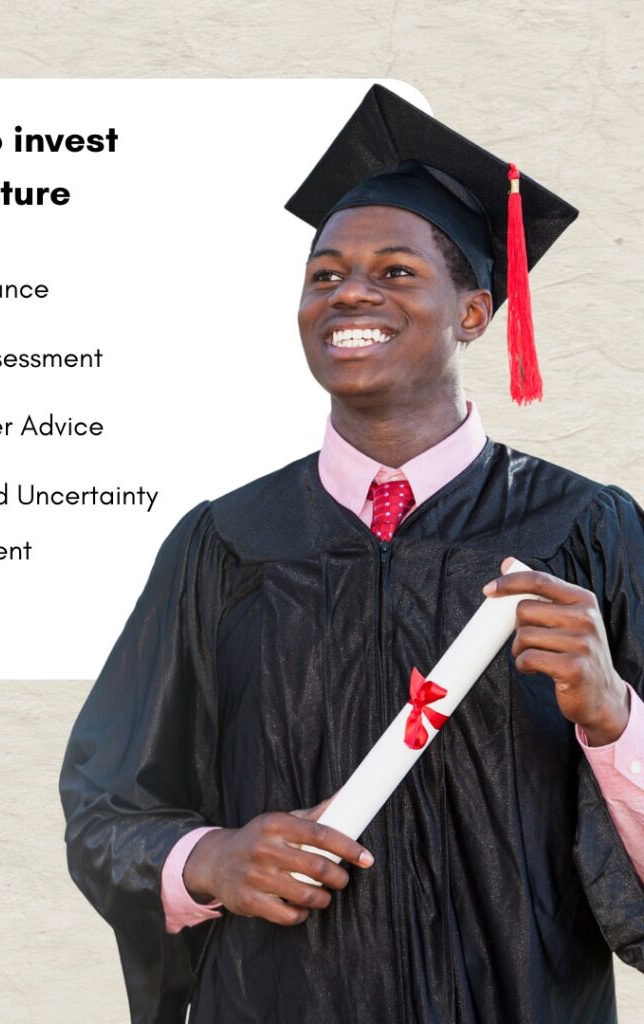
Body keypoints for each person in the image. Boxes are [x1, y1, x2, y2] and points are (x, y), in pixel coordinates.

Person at [59, 86, 644, 1023]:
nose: (351, 292)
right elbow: (106, 804)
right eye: (324, 274)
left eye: (397, 271)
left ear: (476, 312)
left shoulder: (583, 532)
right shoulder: (225, 546)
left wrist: (614, 719)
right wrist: (209, 859)